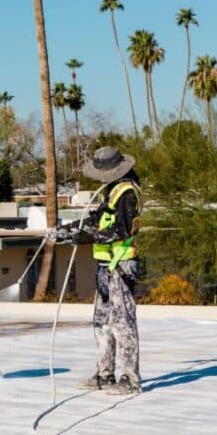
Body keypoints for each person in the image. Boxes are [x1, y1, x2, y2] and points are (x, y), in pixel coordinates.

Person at [76, 147, 143, 395]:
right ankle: (105, 373)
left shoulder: (127, 192)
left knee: (123, 323)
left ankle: (131, 379)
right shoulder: (111, 191)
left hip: (121, 264)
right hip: (106, 264)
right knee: (102, 322)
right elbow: (101, 220)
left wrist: (89, 235)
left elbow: (122, 230)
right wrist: (76, 229)